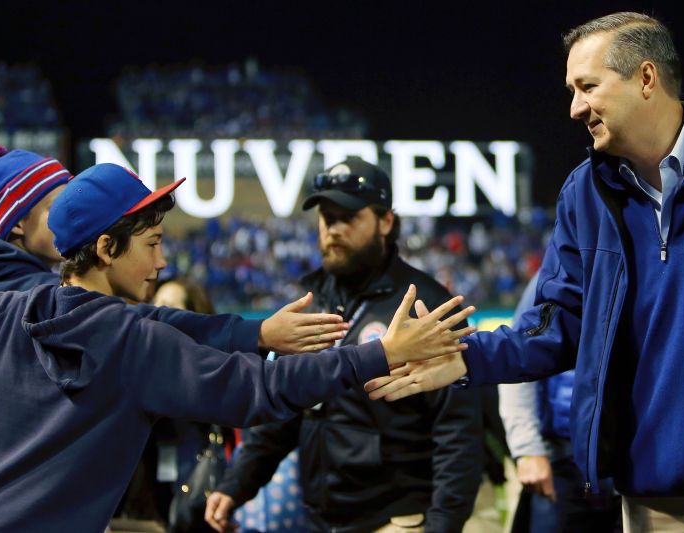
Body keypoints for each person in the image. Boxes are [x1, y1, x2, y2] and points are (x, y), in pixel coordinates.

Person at [366, 12, 684, 531]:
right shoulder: (583, 195)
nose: (574, 108)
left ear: (645, 78)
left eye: (587, 86)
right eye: (572, 90)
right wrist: (465, 360)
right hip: (652, 494)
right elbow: (556, 323)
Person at [0, 162, 475, 533]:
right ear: (105, 248)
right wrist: (380, 354)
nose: (162, 261)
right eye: (153, 242)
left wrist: (256, 334)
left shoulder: (11, 310)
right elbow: (261, 388)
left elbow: (156, 319)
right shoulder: (133, 344)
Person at [206, 158, 483, 533]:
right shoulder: (313, 302)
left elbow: (458, 431)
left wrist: (443, 525)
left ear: (385, 221)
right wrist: (236, 484)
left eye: (347, 216)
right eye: (326, 217)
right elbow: (285, 406)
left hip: (396, 520)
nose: (332, 229)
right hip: (320, 519)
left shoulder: (423, 305)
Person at [0, 145, 351, 357]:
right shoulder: (24, 298)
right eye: (52, 209)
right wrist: (255, 334)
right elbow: (141, 326)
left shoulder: (28, 285)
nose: (63, 218)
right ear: (17, 223)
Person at [499, 277, 619, 532]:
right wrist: (528, 449)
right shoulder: (562, 270)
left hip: (635, 459)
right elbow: (520, 357)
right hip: (564, 458)